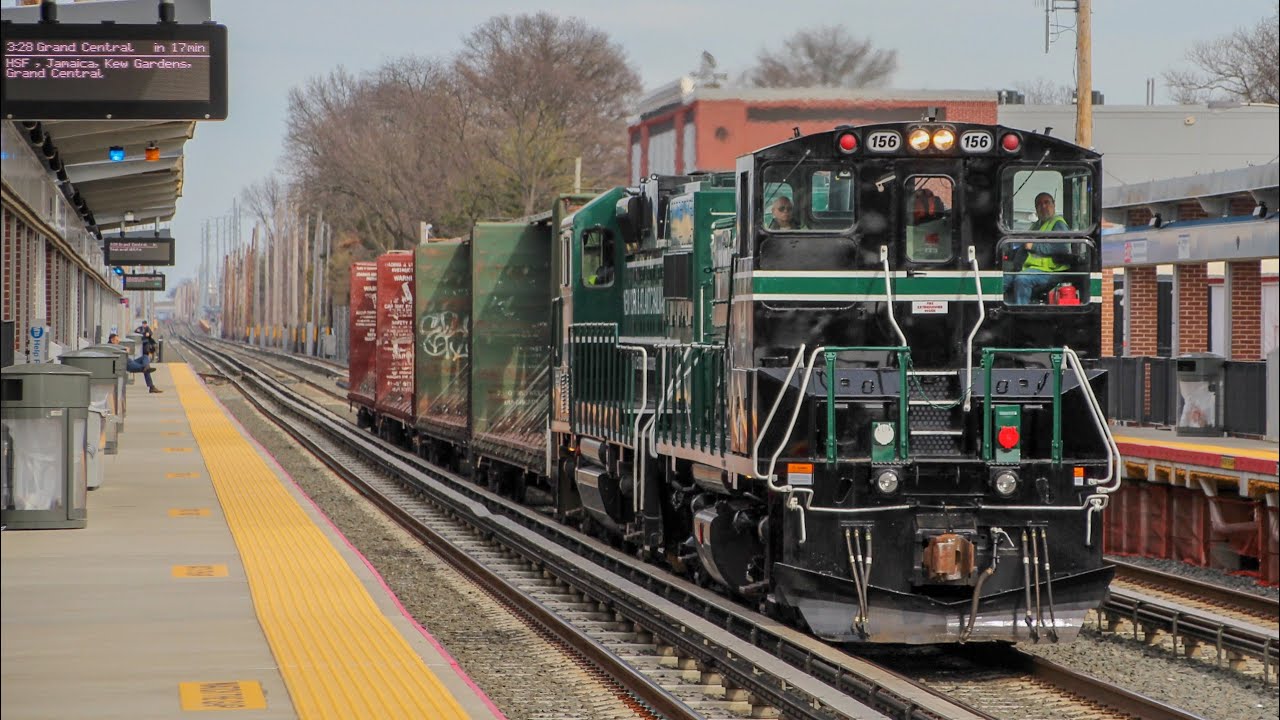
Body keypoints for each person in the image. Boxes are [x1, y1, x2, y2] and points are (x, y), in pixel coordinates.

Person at [1009, 193, 1071, 304]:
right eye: (1039, 204)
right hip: (1033, 269)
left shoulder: (1058, 223)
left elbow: (1062, 247)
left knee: (1022, 279)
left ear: (1054, 204)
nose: (1043, 206)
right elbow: (1025, 246)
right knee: (1003, 279)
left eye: (1046, 202)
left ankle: (1021, 313)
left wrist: (1034, 246)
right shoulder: (1037, 225)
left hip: (1052, 271)